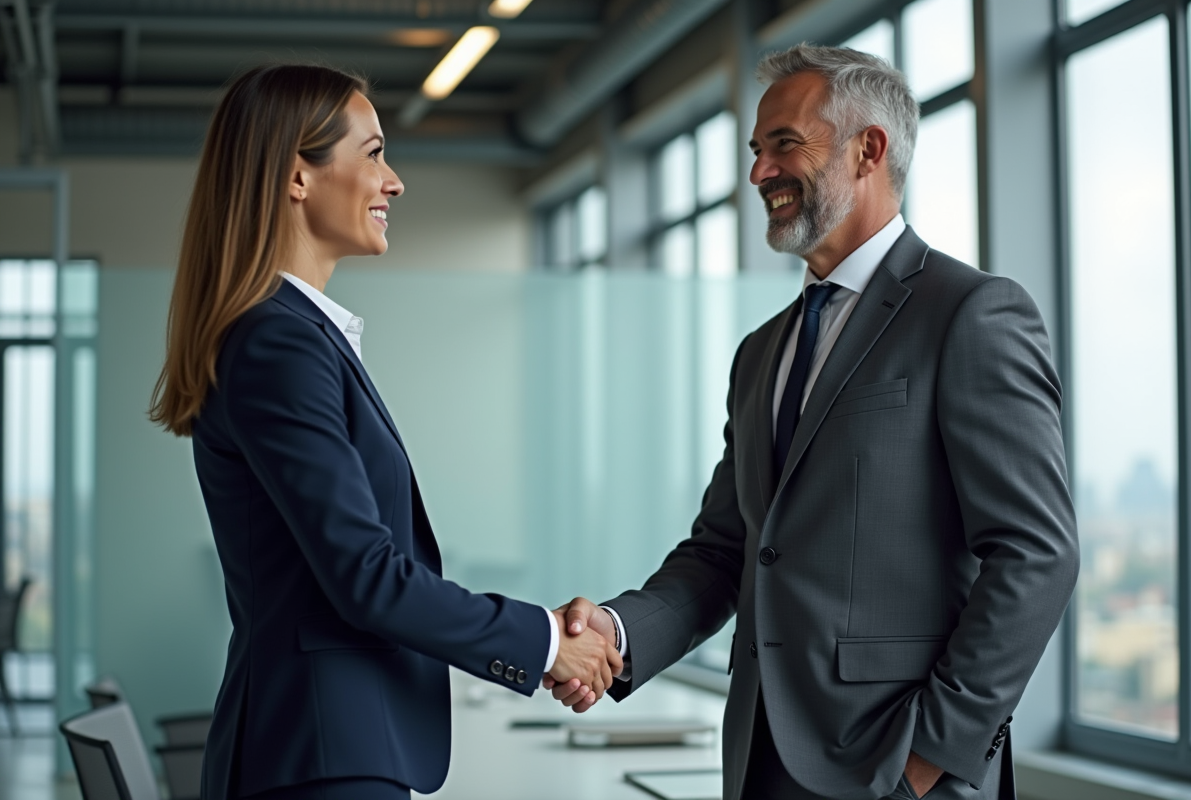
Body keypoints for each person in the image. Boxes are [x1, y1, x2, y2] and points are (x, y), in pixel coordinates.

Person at [548, 44, 1079, 800]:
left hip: (897, 767)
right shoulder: (761, 351)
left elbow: (1036, 553)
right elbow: (727, 549)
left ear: (870, 150)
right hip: (761, 759)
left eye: (784, 145)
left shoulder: (969, 314)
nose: (760, 172)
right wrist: (617, 632)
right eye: (757, 151)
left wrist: (934, 754)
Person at [148, 64, 621, 800]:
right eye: (372, 153)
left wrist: (545, 638)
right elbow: (365, 575)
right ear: (296, 176)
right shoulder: (279, 342)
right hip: (325, 755)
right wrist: (546, 642)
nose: (393, 181)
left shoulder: (292, 336)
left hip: (329, 747)